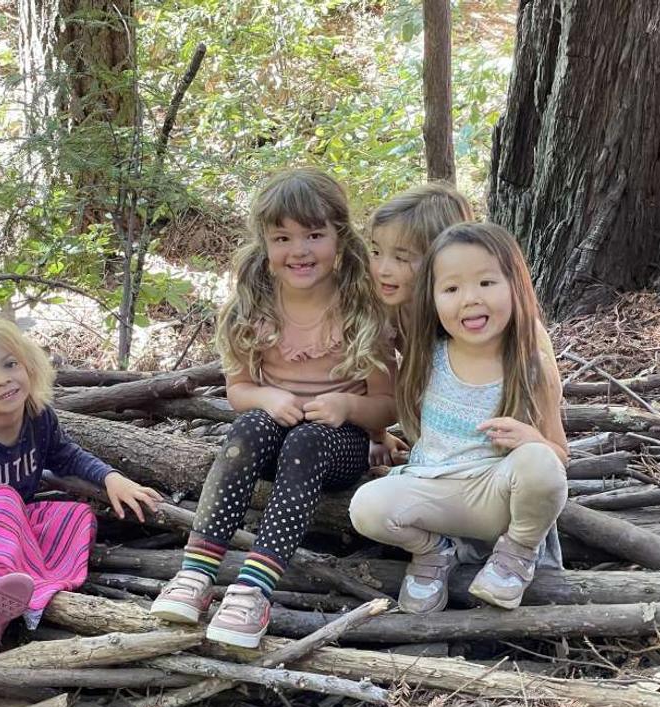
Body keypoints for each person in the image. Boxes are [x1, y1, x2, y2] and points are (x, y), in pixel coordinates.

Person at [150, 167, 396, 648]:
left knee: (305, 440)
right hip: (273, 436)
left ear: (339, 238)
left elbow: (386, 406)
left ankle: (253, 588)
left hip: (336, 446)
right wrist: (268, 397)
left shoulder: (362, 308)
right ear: (264, 243)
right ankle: (195, 573)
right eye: (282, 237)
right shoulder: (253, 305)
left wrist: (347, 405)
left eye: (314, 235)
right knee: (246, 430)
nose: (299, 250)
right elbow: (239, 391)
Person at [350, 222, 568, 614]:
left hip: (494, 493)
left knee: (541, 465)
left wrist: (531, 438)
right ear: (431, 299)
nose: (470, 299)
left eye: (486, 283)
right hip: (434, 489)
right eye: (451, 289)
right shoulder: (427, 355)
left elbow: (559, 455)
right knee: (367, 507)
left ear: (516, 285)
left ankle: (517, 552)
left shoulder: (530, 364)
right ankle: (435, 551)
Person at [0, 317, 161, 663]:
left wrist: (109, 478)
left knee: (75, 517)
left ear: (28, 364)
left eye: (10, 364)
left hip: (8, 528)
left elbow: (63, 454)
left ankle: (21, 590)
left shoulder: (37, 416)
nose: (2, 380)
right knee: (0, 499)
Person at [367, 183, 474, 468]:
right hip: (429, 423)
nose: (382, 269)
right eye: (376, 252)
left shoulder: (468, 313)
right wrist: (378, 437)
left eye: (401, 258)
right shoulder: (388, 308)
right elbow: (379, 385)